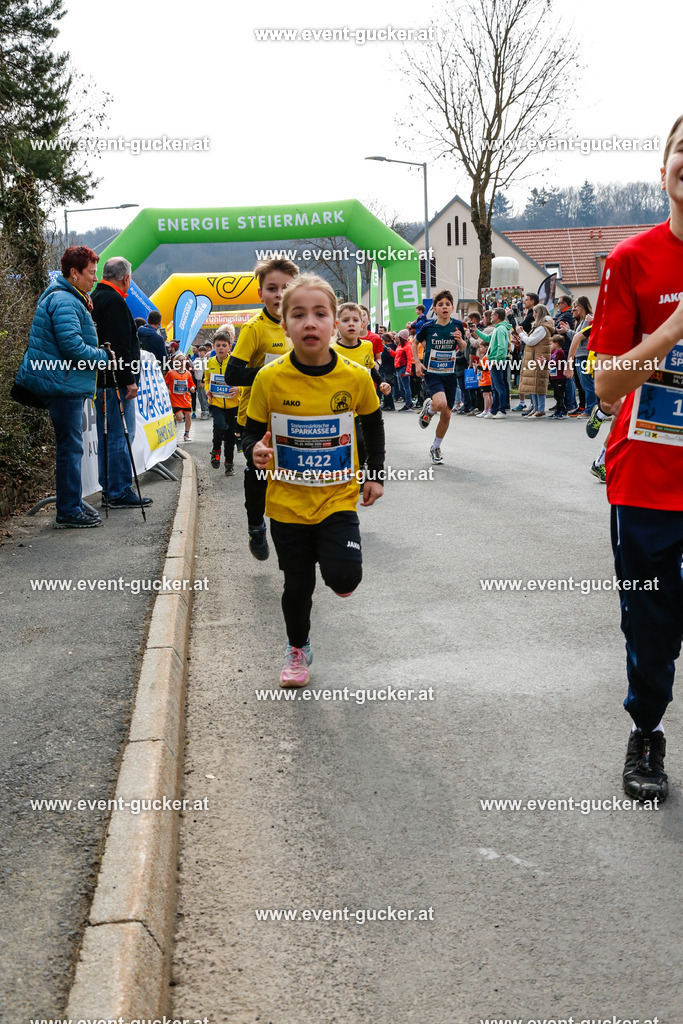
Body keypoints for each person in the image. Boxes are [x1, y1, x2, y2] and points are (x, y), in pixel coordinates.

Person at [593, 115, 683, 803]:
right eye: (682, 149)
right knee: (650, 627)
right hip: (647, 485)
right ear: (663, 171)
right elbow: (605, 384)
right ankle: (646, 734)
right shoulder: (630, 261)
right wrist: (673, 328)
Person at [243, 274, 385, 687]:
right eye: (298, 315)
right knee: (297, 585)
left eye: (320, 314)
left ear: (335, 323)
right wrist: (254, 450)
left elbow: (373, 424)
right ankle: (297, 649)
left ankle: (337, 566)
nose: (310, 323)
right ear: (283, 325)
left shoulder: (355, 377)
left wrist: (374, 475)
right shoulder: (268, 380)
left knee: (344, 577)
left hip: (338, 497)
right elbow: (251, 433)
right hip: (287, 503)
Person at [15, 246, 110, 528]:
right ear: (74, 273)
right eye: (91, 273)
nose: (94, 279)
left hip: (62, 383)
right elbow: (72, 347)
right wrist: (103, 358)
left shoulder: (67, 297)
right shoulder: (66, 301)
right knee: (70, 449)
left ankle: (71, 504)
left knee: (70, 448)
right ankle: (68, 510)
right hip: (62, 385)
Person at [225, 258, 298, 561]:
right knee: (257, 474)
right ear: (261, 294)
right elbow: (232, 374)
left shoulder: (302, 322)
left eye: (287, 287)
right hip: (256, 419)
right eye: (272, 288)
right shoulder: (255, 329)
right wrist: (272, 372)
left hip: (295, 417)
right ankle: (256, 525)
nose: (280, 294)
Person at [92, 257, 152, 510]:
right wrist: (129, 381)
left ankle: (110, 488)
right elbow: (119, 347)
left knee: (108, 436)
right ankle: (118, 490)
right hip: (115, 381)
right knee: (120, 435)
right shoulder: (115, 301)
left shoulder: (96, 297)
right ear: (126, 278)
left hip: (101, 379)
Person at [413, 289, 464, 463]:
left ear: (452, 307)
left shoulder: (458, 325)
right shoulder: (428, 327)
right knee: (441, 404)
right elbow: (414, 342)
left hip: (450, 373)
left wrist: (460, 340)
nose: (444, 307)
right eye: (440, 304)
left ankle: (435, 447)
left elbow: (463, 348)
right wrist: (418, 363)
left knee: (447, 415)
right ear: (434, 309)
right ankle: (430, 408)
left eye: (447, 304)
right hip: (432, 372)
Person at [205, 327, 239, 475]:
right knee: (219, 427)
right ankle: (216, 449)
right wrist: (207, 390)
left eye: (224, 345)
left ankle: (229, 463)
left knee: (231, 434)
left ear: (229, 346)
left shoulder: (234, 362)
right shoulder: (210, 362)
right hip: (217, 403)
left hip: (233, 404)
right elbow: (207, 380)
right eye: (218, 345)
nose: (221, 348)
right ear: (213, 346)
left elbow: (244, 382)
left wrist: (239, 389)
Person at [472, 307, 510, 416]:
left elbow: (502, 346)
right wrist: (476, 331)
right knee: (495, 388)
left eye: (492, 315)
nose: (491, 317)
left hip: (496, 362)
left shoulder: (500, 329)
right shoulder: (498, 328)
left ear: (497, 316)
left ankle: (501, 410)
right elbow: (487, 338)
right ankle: (494, 411)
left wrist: (497, 360)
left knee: (499, 387)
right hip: (494, 361)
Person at [518, 304, 554, 418]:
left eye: (535, 312)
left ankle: (540, 409)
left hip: (538, 359)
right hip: (533, 359)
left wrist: (521, 333)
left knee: (538, 384)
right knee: (532, 385)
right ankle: (535, 407)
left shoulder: (542, 328)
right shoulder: (539, 326)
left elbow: (530, 341)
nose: (533, 315)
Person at [567, 296, 595, 416]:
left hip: (584, 355)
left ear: (582, 306)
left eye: (576, 306)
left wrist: (568, 331)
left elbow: (579, 337)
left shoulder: (588, 320)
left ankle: (590, 409)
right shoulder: (582, 320)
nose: (574, 309)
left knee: (588, 384)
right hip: (580, 355)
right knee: (584, 385)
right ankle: (588, 408)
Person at [165, 352, 195, 441]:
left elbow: (191, 384)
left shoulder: (188, 373)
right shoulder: (171, 373)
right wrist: (167, 389)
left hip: (185, 398)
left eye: (183, 360)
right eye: (179, 361)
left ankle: (186, 434)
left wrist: (192, 387)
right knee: (180, 418)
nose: (181, 362)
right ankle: (174, 420)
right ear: (175, 362)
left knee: (188, 416)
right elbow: (164, 383)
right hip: (175, 399)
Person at [549, 335, 568, 418]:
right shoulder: (553, 352)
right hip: (554, 376)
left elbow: (558, 364)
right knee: (556, 394)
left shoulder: (560, 352)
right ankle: (557, 410)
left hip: (560, 376)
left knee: (560, 395)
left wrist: (545, 362)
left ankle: (562, 410)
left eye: (551, 343)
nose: (550, 345)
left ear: (556, 344)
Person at [394, 329, 414, 410]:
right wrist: (391, 352)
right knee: (402, 387)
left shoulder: (407, 346)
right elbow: (396, 355)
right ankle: (408, 402)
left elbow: (410, 359)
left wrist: (408, 370)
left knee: (405, 387)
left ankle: (408, 403)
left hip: (403, 368)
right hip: (399, 368)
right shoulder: (400, 345)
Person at [475, 340, 493, 417]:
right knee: (489, 394)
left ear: (486, 347)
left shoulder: (486, 357)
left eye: (481, 347)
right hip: (487, 378)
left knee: (486, 395)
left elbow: (485, 368)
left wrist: (477, 366)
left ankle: (486, 410)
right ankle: (489, 409)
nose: (480, 349)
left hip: (486, 379)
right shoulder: (486, 356)